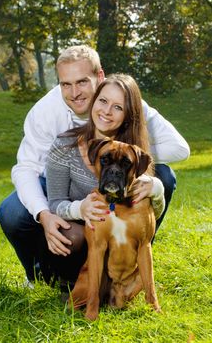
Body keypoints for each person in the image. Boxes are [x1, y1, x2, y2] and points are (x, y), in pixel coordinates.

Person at [0, 45, 190, 286]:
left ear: (100, 77)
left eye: (82, 82)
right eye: (65, 84)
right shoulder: (45, 112)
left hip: (114, 182)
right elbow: (25, 168)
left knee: (163, 176)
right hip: (59, 183)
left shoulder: (124, 98)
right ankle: (37, 273)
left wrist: (132, 157)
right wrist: (44, 214)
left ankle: (131, 255)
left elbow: (180, 148)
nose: (74, 93)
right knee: (12, 212)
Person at [43, 73, 166, 285]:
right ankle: (64, 278)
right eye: (103, 101)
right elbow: (54, 203)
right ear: (94, 100)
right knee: (69, 234)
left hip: (121, 233)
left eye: (118, 107)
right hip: (83, 232)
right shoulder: (65, 144)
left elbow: (151, 213)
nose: (107, 111)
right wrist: (79, 208)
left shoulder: (134, 151)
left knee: (166, 177)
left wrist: (156, 188)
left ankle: (128, 263)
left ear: (129, 114)